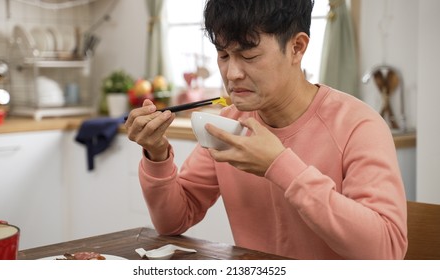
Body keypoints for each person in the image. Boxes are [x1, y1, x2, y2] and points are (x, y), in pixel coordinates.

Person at [124, 0, 407, 260]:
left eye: (249, 56)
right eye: (223, 55)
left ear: (297, 47)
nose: (232, 73)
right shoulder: (229, 123)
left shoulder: (358, 126)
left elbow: (385, 252)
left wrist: (279, 165)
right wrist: (157, 155)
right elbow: (173, 221)